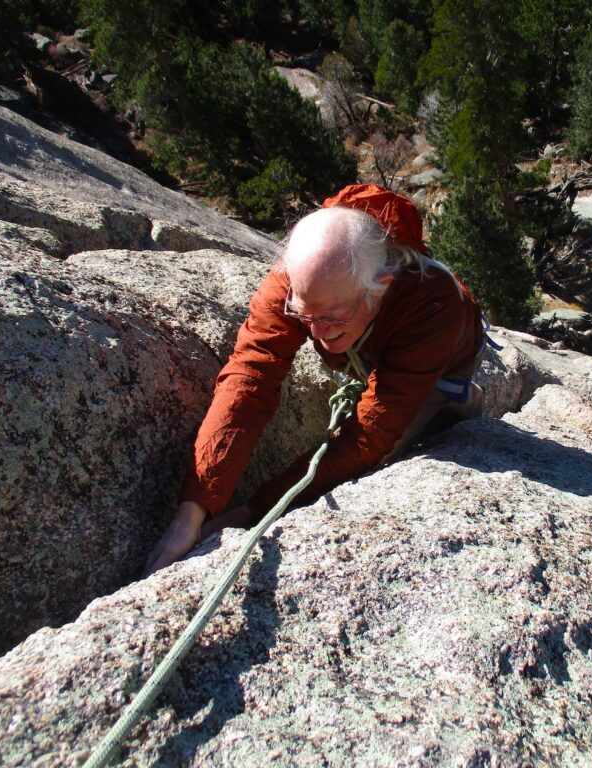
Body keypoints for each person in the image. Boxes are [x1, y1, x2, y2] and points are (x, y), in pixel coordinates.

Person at [144, 184, 486, 576]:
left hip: (444, 360)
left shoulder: (431, 302)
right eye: (305, 315)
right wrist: (193, 509)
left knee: (392, 446)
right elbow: (252, 373)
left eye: (331, 317)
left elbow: (371, 434)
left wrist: (254, 512)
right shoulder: (301, 275)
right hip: (372, 346)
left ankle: (461, 400)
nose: (316, 333)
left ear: (381, 287)